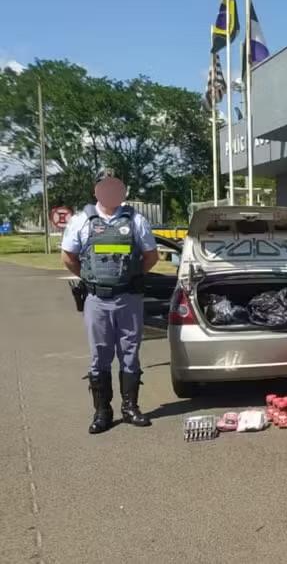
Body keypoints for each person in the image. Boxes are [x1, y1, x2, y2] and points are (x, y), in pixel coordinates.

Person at [61, 173, 160, 434]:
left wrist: (132, 276)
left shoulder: (136, 220)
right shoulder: (81, 221)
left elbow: (151, 256)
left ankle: (130, 408)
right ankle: (103, 412)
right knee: (100, 357)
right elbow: (68, 256)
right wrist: (88, 278)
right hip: (97, 299)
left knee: (130, 354)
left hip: (128, 297)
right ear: (97, 191)